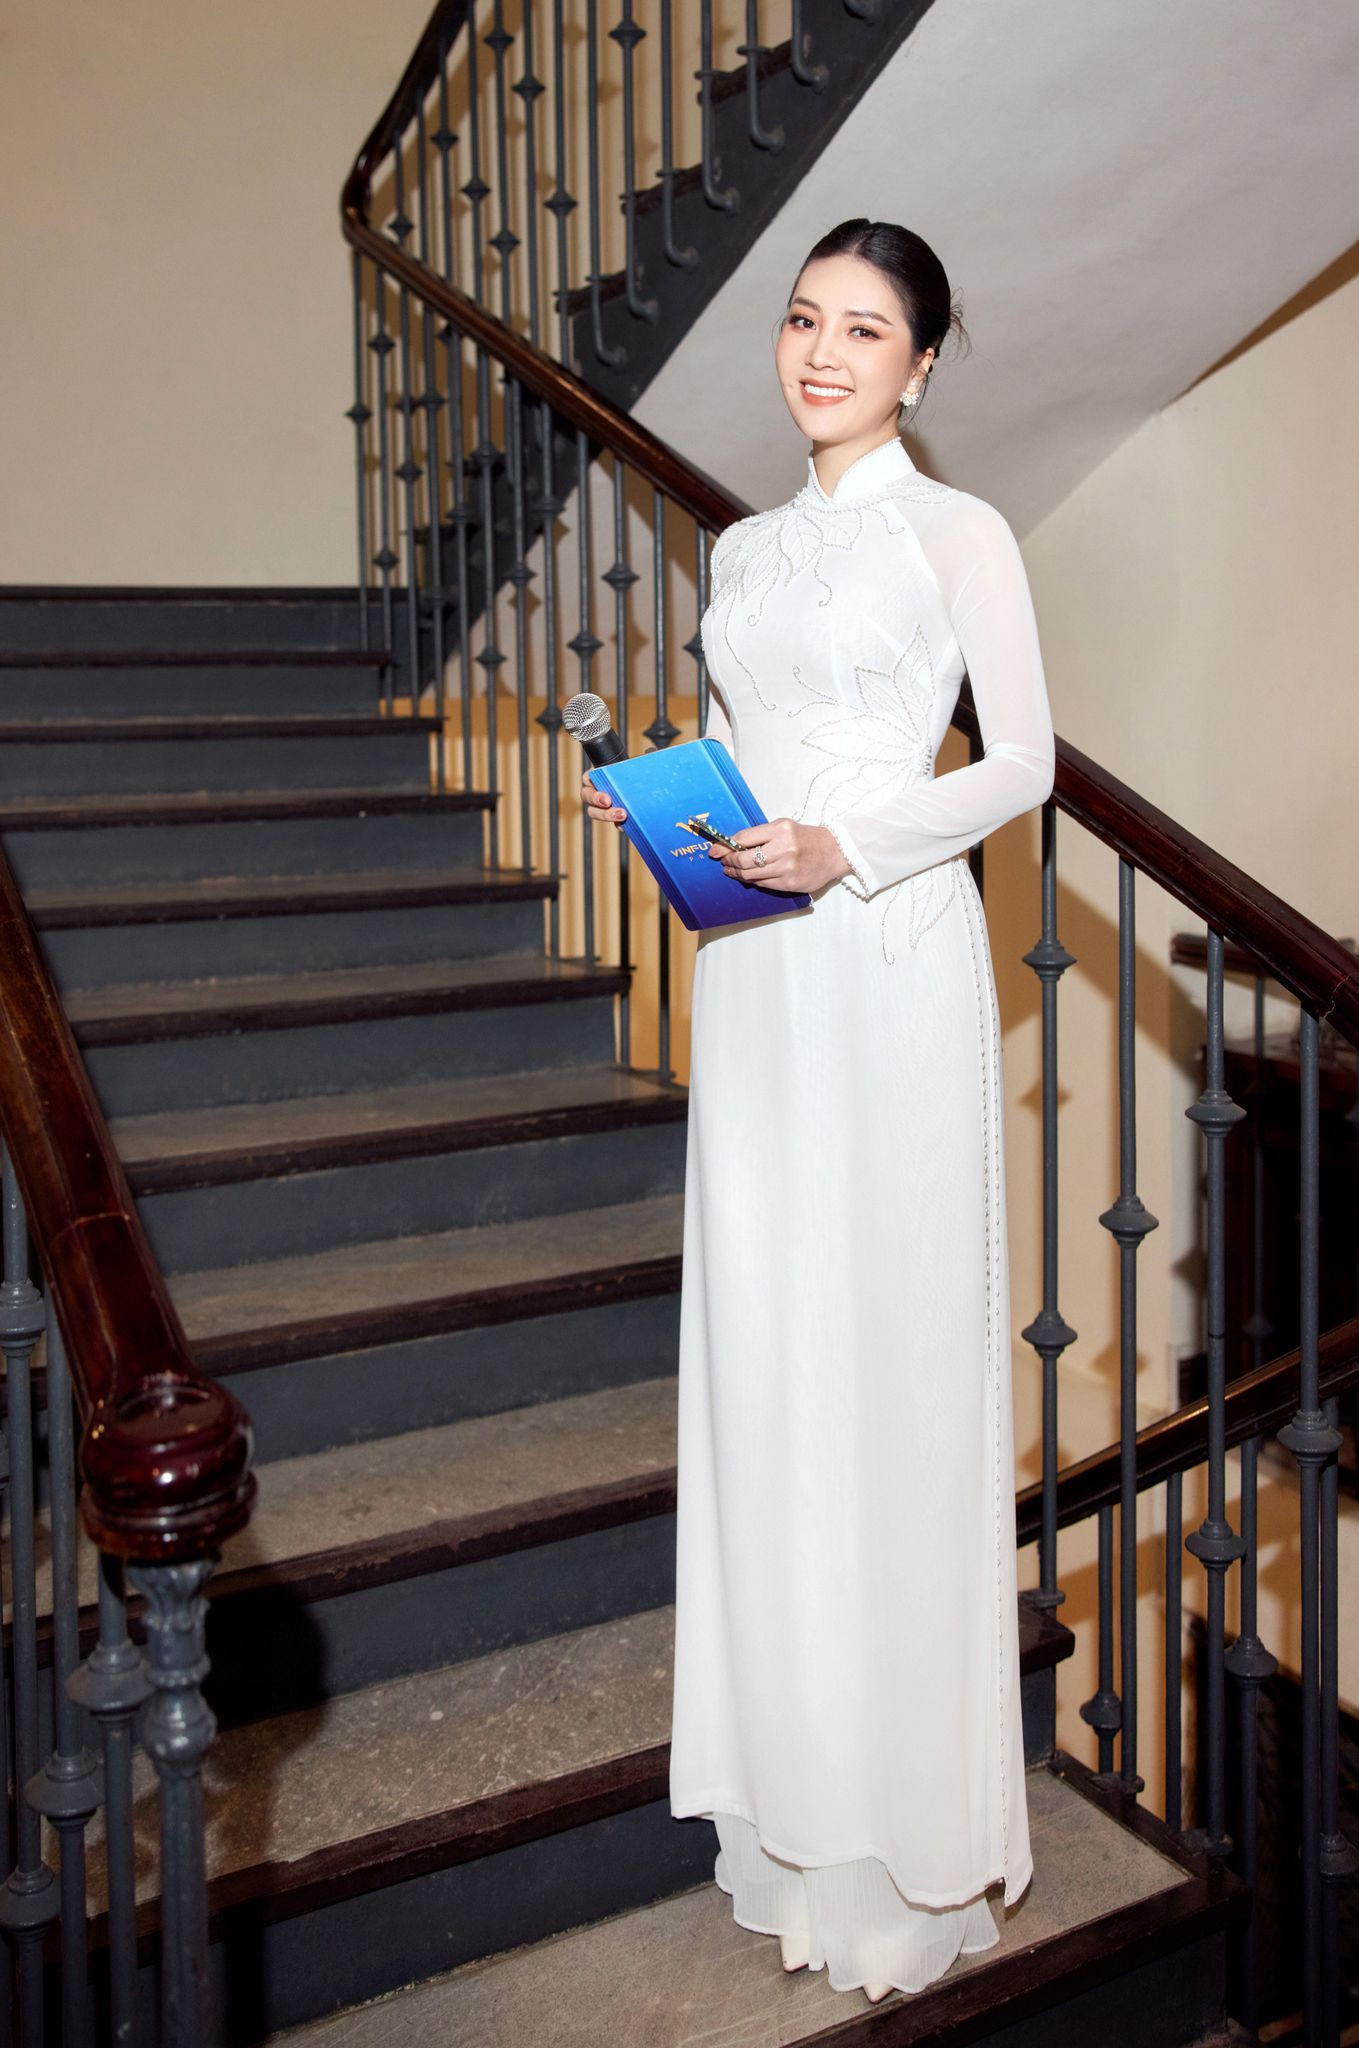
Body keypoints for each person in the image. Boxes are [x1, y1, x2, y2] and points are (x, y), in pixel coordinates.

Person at [582, 217, 1054, 2004]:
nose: (822, 351)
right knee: (770, 1354)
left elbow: (1023, 763)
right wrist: (669, 809)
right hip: (758, 970)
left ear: (921, 364)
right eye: (802, 319)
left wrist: (852, 841)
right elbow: (757, 756)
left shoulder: (961, 531)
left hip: (889, 952)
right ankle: (790, 1817)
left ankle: (907, 1854)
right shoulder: (745, 548)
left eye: (864, 328)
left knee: (888, 1356)